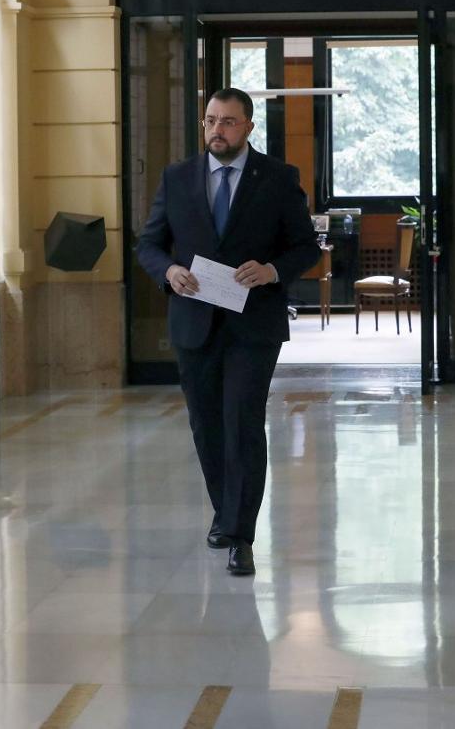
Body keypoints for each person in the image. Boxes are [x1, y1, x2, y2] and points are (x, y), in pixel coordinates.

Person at [136, 87, 320, 575]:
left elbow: (305, 246)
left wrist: (273, 270)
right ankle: (225, 513)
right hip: (193, 321)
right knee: (206, 425)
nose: (217, 130)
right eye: (211, 120)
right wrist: (168, 272)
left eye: (229, 122)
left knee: (242, 423)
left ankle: (240, 533)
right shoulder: (177, 178)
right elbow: (150, 244)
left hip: (252, 323)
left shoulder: (278, 179)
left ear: (249, 128)